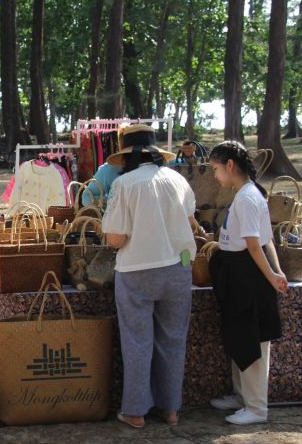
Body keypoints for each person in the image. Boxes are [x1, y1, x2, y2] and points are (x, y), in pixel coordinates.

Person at [102, 124, 196, 428]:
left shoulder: (125, 184)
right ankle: (170, 409)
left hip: (136, 271)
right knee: (173, 339)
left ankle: (135, 411)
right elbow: (192, 222)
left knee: (137, 342)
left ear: (127, 156)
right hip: (178, 269)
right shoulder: (177, 180)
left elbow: (116, 238)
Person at [208, 141, 287, 425]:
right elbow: (266, 240)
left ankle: (256, 407)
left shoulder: (248, 197)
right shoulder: (245, 195)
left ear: (230, 166)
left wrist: (273, 276)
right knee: (239, 336)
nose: (215, 176)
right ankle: (242, 396)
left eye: (216, 169)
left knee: (253, 340)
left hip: (249, 277)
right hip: (238, 274)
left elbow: (258, 246)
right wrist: (276, 272)